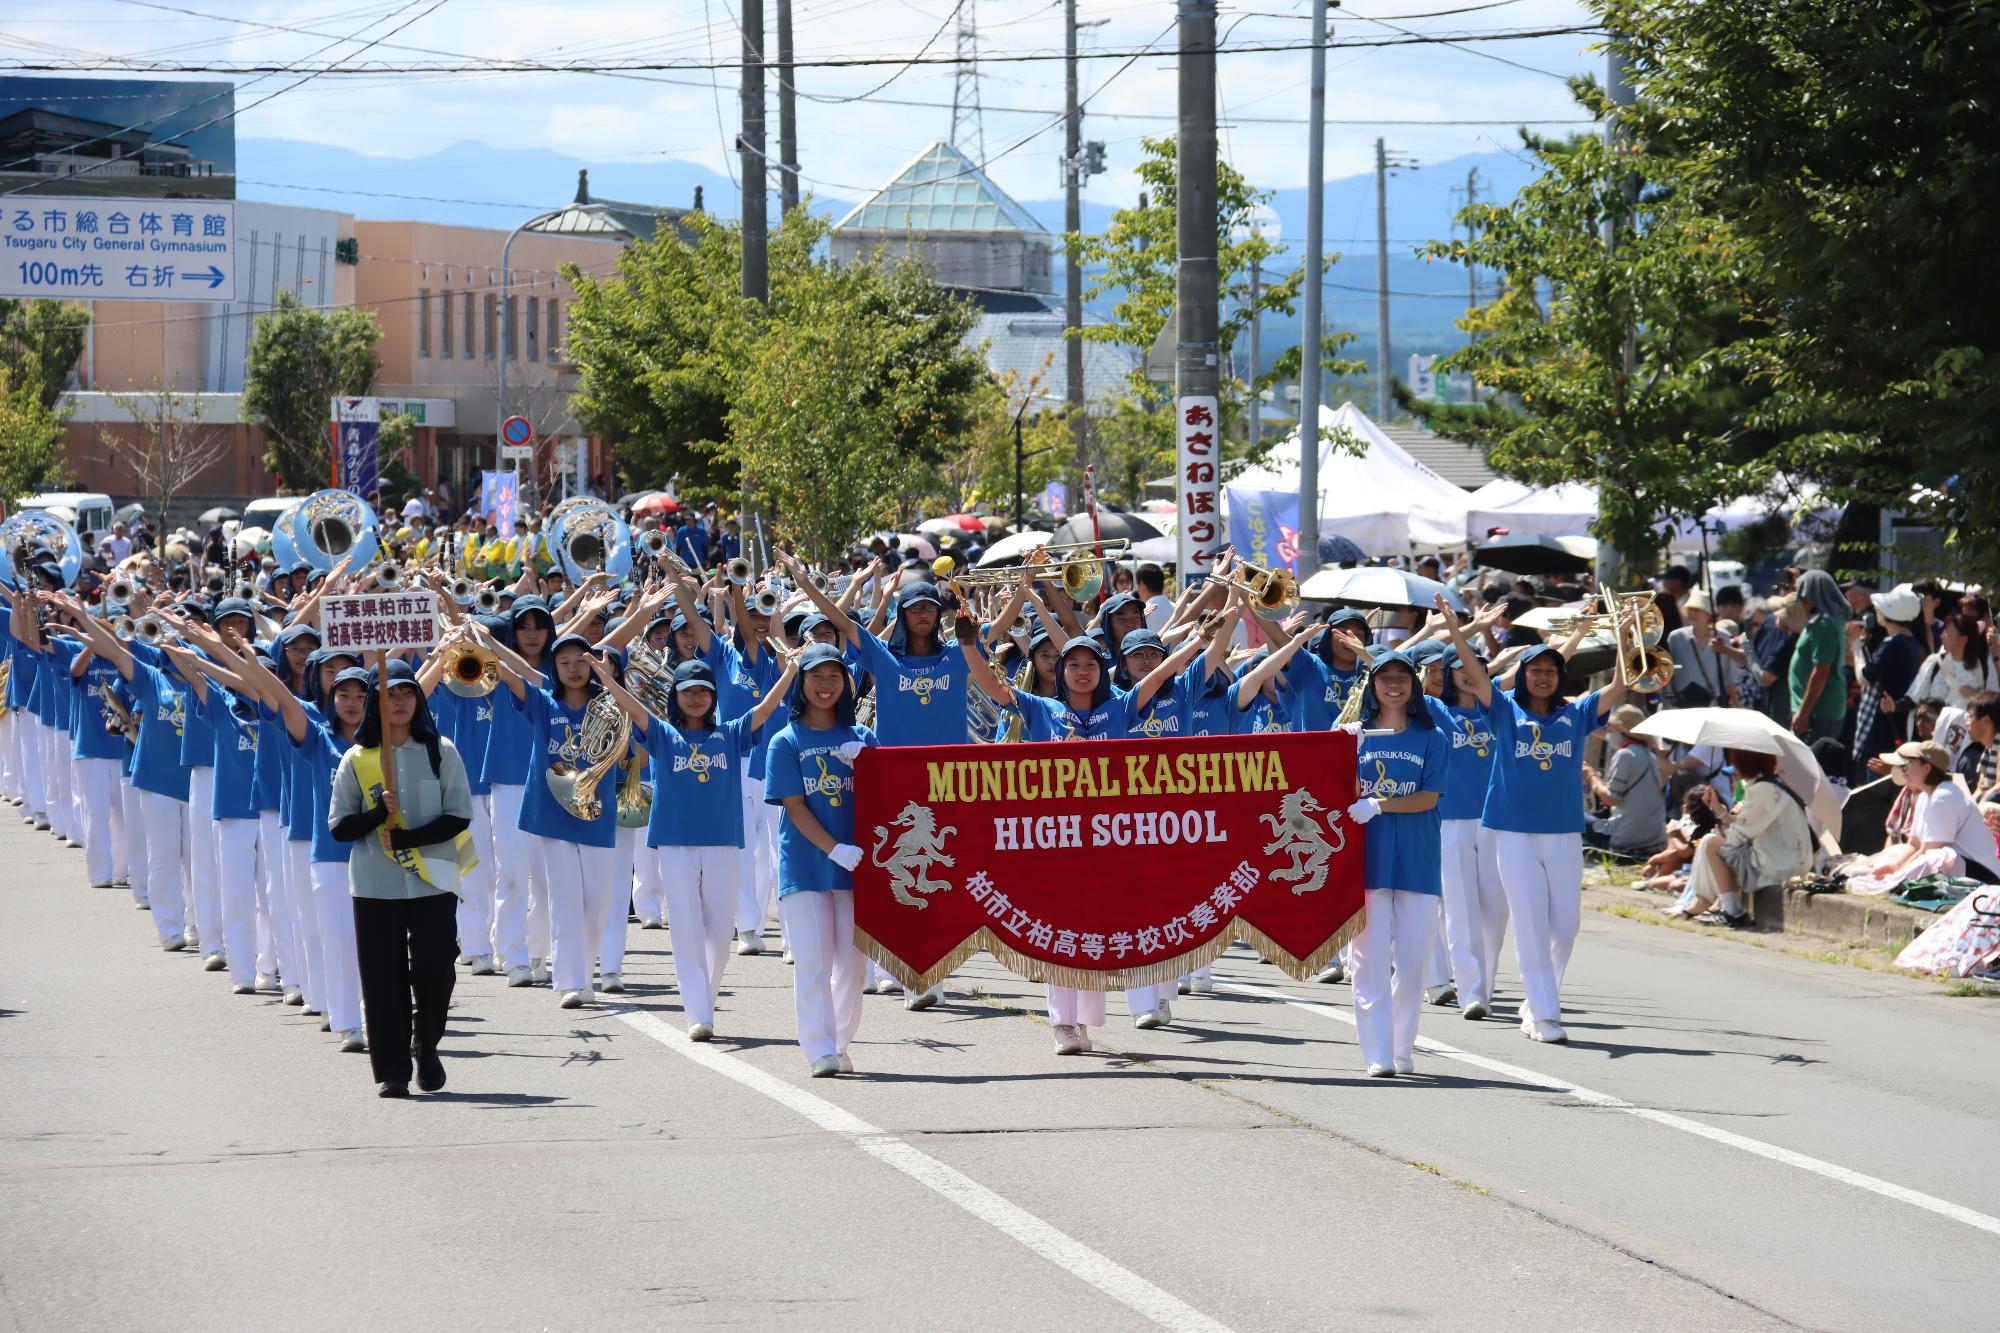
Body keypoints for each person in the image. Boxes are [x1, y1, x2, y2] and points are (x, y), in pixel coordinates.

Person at [595, 654, 796, 1041]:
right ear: (676, 696)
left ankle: (705, 993)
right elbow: (633, 709)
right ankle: (698, 1012)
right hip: (675, 842)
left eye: (704, 691)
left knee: (720, 931)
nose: (696, 697)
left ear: (714, 696)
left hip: (723, 840)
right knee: (685, 926)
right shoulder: (663, 735)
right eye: (688, 691)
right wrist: (608, 681)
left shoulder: (731, 733)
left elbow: (766, 708)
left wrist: (788, 671)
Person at [1454, 636, 1627, 1043]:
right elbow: (1477, 676)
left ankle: (1536, 1001)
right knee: (1530, 922)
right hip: (1513, 833)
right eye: (1535, 670)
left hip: (1564, 832)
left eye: (1551, 670)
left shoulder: (1577, 713)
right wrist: (1456, 630)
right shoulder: (1502, 708)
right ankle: (1545, 1015)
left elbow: (1620, 686)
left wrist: (1626, 637)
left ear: (1560, 675)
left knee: (1565, 926)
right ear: (1524, 676)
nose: (1543, 677)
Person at [328, 661, 474, 1097]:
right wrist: (378, 813)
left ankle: (426, 1045)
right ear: (376, 701)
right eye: (390, 694)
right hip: (375, 883)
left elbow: (458, 815)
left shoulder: (440, 750)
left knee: (436, 969)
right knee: (382, 977)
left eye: (407, 693)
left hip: (433, 879)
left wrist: (411, 837)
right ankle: (392, 1071)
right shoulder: (356, 759)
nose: (399, 702)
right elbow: (339, 828)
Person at [764, 643, 876, 1076]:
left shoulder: (862, 737)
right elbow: (794, 805)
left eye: (833, 677)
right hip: (807, 866)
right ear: (801, 682)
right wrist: (834, 849)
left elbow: (887, 795)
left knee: (853, 967)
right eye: (816, 677)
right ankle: (819, 1048)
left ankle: (840, 1041)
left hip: (858, 869)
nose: (825, 686)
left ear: (846, 685)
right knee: (814, 963)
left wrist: (871, 767)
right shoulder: (785, 740)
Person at [1343, 649, 1449, 1077]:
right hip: (1367, 861)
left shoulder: (1432, 737)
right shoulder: (1356, 736)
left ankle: (1402, 1046)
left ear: (1414, 685)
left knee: (1412, 962)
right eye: (1384, 676)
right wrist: (1341, 747)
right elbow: (1341, 791)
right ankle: (1377, 1052)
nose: (1393, 684)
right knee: (1367, 961)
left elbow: (1428, 797)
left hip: (1418, 862)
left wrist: (1379, 805)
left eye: (1401, 677)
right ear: (1372, 685)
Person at [1675, 749, 1817, 926]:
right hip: (1788, 861)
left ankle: (1730, 910)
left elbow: (1737, 838)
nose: (1734, 769)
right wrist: (1719, 811)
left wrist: (1722, 821)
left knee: (1710, 842)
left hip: (1777, 866)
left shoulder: (1761, 790)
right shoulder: (1772, 785)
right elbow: (1746, 826)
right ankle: (1707, 901)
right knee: (1713, 841)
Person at [1846, 740, 1999, 892]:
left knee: (1940, 857)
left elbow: (1928, 851)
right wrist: (1894, 865)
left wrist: (1897, 873)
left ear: (1926, 768)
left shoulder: (1944, 796)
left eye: (1910, 763)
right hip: (1962, 868)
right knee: (1897, 851)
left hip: (1984, 875)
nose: (1904, 769)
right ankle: (1886, 880)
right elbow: (1914, 844)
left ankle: (1892, 885)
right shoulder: (1924, 797)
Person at [1848, 585, 1924, 770]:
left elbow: (1865, 676)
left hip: (1880, 721)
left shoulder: (1893, 643)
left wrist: (1857, 646)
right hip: (1897, 718)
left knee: (1871, 774)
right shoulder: (1913, 642)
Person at [1584, 704, 1668, 859]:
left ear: (1623, 731)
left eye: (1611, 728)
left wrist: (1591, 776)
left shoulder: (1625, 755)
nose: (1608, 733)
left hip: (1626, 838)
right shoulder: (1650, 755)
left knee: (1575, 815)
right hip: (1653, 838)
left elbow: (1613, 798)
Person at [1788, 571, 1849, 742]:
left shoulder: (1825, 624)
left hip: (1819, 711)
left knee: (1813, 766)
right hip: (1812, 710)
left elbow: (1821, 670)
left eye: (1801, 593)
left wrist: (1803, 712)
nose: (1799, 600)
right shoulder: (1822, 621)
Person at [1911, 612, 1999, 709]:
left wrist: (1975, 695)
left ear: (1963, 640)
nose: (1941, 636)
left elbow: (1994, 704)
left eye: (1947, 633)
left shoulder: (1984, 664)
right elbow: (1914, 698)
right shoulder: (1934, 662)